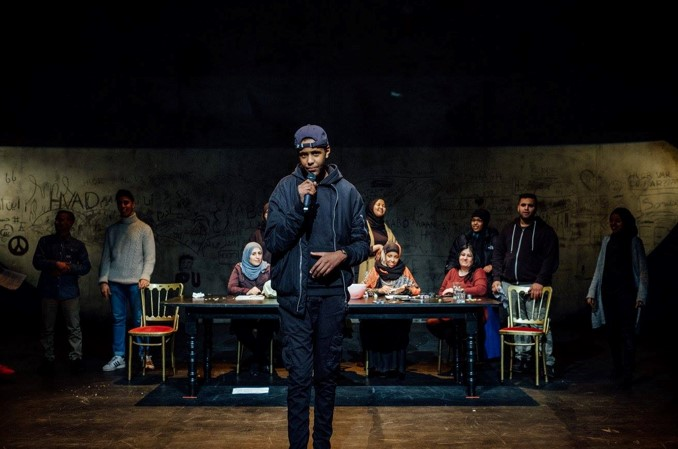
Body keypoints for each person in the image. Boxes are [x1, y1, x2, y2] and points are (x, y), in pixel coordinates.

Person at [264, 124, 369, 449]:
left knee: (326, 376)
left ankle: (322, 443)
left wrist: (341, 255)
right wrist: (299, 206)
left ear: (327, 152)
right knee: (298, 378)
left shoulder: (348, 193)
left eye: (316, 153)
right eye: (304, 154)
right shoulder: (285, 188)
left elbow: (363, 243)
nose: (310, 160)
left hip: (332, 298)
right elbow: (273, 242)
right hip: (295, 298)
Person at [491, 193, 559, 377]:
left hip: (534, 286)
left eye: (530, 205)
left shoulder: (545, 231)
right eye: (523, 205)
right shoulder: (508, 229)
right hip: (511, 285)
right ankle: (523, 358)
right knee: (518, 324)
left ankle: (547, 362)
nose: (526, 208)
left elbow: (550, 259)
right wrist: (496, 278)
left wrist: (540, 281)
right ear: (518, 207)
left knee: (540, 324)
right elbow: (498, 254)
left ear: (535, 208)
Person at [586, 207, 648, 389]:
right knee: (612, 333)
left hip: (626, 294)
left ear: (626, 222)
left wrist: (641, 295)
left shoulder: (634, 242)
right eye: (612, 220)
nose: (614, 224)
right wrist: (591, 292)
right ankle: (617, 366)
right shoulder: (607, 241)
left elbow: (643, 271)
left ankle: (628, 371)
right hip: (608, 293)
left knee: (628, 333)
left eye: (618, 221)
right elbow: (599, 268)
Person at [99, 189, 156, 372]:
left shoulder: (144, 229)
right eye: (120, 203)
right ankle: (119, 356)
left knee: (139, 319)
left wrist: (145, 277)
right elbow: (106, 258)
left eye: (126, 202)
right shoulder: (112, 230)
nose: (123, 206)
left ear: (133, 203)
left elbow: (149, 257)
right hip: (115, 282)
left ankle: (144, 355)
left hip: (136, 283)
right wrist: (103, 281)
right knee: (118, 319)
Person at [32, 210, 91, 376]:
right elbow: (37, 262)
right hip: (48, 290)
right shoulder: (45, 241)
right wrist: (54, 264)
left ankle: (75, 359)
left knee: (74, 327)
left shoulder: (78, 245)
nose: (60, 223)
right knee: (47, 327)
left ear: (71, 223)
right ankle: (48, 359)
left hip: (69, 291)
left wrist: (68, 267)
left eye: (64, 220)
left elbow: (86, 267)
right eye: (58, 219)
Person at [444, 208, 500, 359]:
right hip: (466, 281)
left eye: (479, 220)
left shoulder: (493, 238)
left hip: (485, 282)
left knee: (486, 319)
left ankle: (487, 357)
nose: (475, 223)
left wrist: (492, 268)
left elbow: (499, 258)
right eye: (473, 220)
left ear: (485, 222)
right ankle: (462, 357)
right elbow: (452, 258)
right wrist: (455, 274)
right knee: (458, 321)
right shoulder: (464, 238)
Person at [360, 241, 420, 378]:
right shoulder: (376, 270)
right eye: (389, 256)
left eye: (396, 257)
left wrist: (405, 289)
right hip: (378, 313)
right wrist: (379, 290)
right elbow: (363, 289)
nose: (392, 260)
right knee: (375, 328)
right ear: (384, 255)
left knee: (398, 326)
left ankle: (396, 368)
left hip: (397, 312)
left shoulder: (403, 270)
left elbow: (417, 289)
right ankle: (378, 368)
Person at [427, 243, 487, 374]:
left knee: (455, 330)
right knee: (432, 322)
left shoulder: (478, 272)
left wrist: (457, 290)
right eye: (462, 254)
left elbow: (481, 289)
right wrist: (446, 295)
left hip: (470, 315)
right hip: (451, 314)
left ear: (473, 259)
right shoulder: (452, 272)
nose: (465, 258)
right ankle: (460, 363)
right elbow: (441, 291)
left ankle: (461, 366)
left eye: (469, 255)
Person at [227, 241, 277, 375]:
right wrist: (247, 291)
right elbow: (231, 287)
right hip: (245, 312)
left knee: (267, 326)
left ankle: (255, 361)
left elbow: (276, 285)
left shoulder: (267, 268)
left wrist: (268, 291)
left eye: (259, 253)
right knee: (239, 327)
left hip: (264, 311)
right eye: (253, 254)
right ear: (247, 255)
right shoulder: (239, 268)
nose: (257, 256)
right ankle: (261, 359)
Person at [356, 198, 398, 283]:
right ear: (371, 207)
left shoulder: (385, 227)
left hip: (384, 270)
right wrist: (377, 247)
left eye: (383, 206)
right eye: (378, 205)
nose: (381, 207)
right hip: (368, 267)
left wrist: (385, 251)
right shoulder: (363, 225)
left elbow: (396, 246)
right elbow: (357, 248)